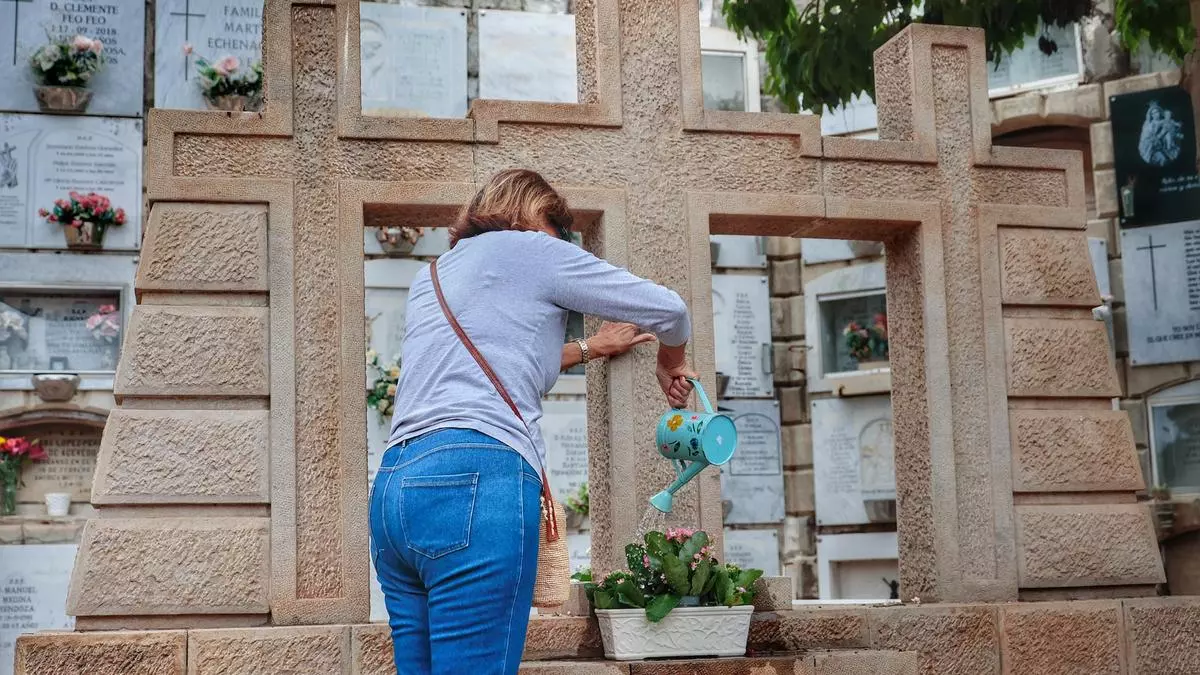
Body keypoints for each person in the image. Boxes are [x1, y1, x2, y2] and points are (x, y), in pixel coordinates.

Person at [370, 168, 696, 674]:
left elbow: (506, 356)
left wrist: (589, 347)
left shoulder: (433, 274)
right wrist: (671, 362)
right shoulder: (533, 247)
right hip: (476, 478)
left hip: (394, 488)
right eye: (559, 232)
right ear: (534, 216)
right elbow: (669, 311)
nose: (563, 245)